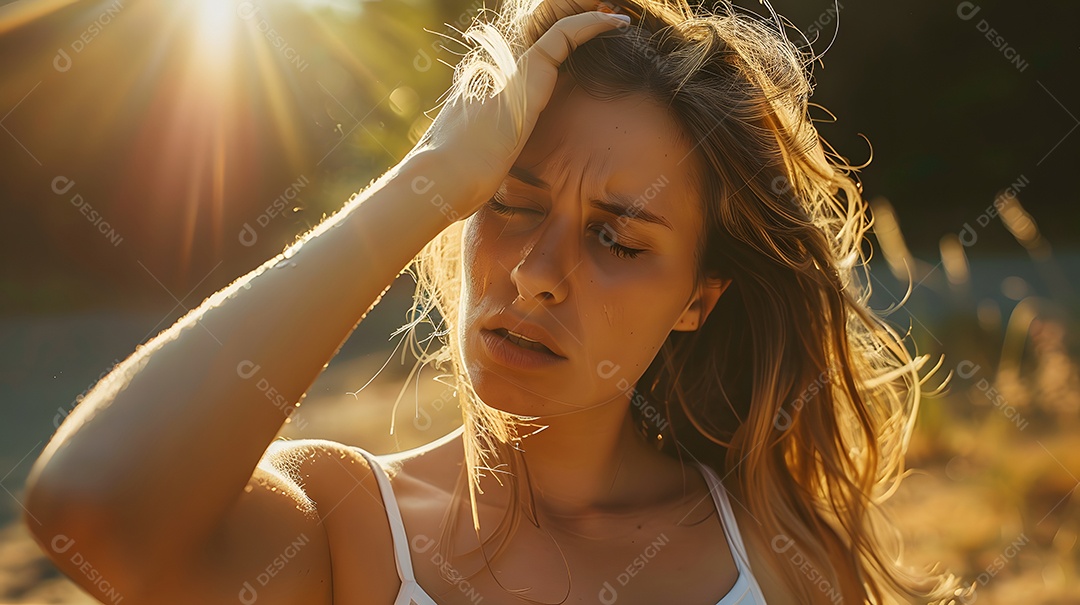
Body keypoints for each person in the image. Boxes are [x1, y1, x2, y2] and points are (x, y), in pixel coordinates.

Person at [23, 1, 972, 603]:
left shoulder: (772, 549)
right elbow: (90, 509)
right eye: (507, 204)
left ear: (697, 298)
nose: (534, 273)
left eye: (617, 238)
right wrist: (427, 182)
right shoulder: (346, 525)